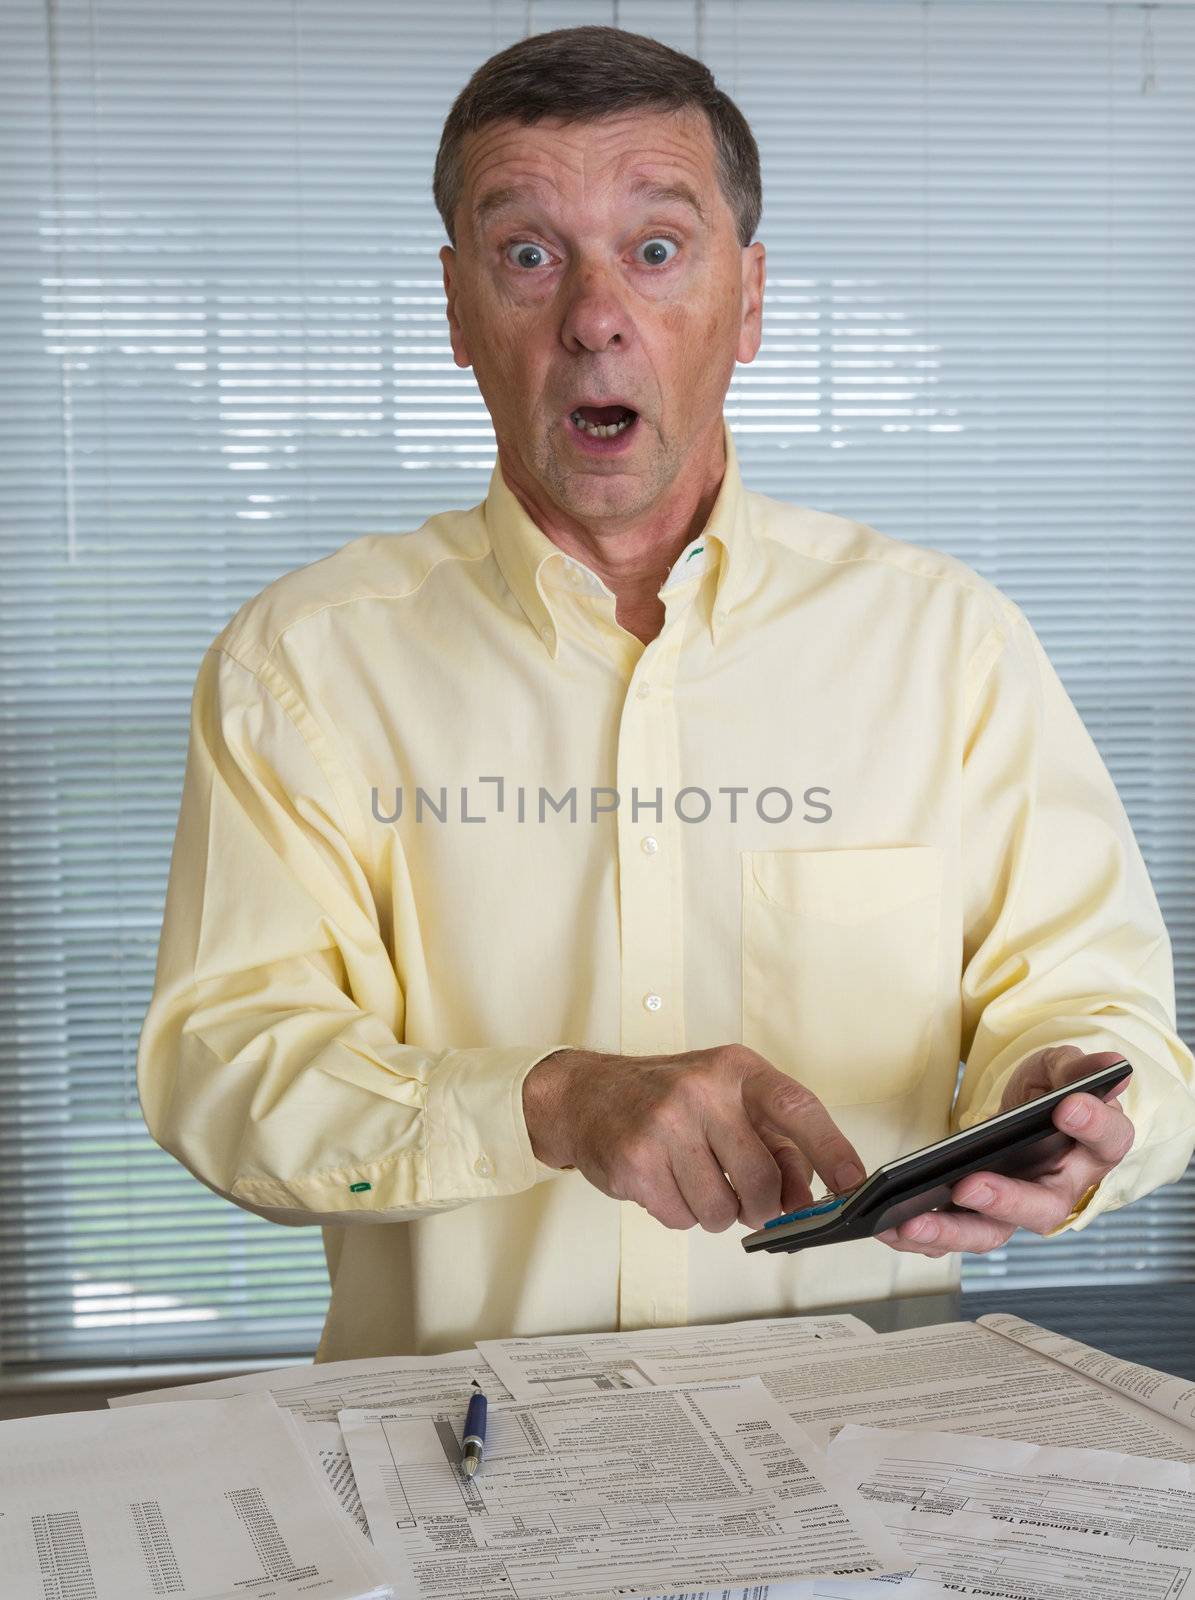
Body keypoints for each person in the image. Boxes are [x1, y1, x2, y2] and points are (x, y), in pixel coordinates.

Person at [137, 25, 1195, 1361]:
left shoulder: (949, 643)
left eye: (654, 248)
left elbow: (1097, 1013)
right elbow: (224, 1076)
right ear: (459, 311)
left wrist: (1072, 1104)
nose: (594, 315)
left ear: (747, 304)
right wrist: (546, 1102)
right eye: (529, 253)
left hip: (848, 1497)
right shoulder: (299, 665)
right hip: (458, 1505)